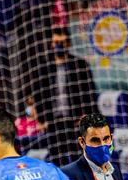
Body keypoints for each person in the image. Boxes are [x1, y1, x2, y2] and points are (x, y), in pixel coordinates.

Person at [30, 29, 97, 164]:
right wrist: (41, 120)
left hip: (75, 122)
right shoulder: (44, 67)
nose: (58, 45)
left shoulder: (80, 65)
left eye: (62, 42)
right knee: (56, 161)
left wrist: (86, 117)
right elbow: (38, 95)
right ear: (51, 44)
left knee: (80, 160)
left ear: (68, 44)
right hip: (53, 123)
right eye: (55, 42)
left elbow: (89, 93)